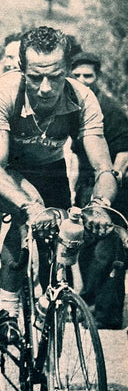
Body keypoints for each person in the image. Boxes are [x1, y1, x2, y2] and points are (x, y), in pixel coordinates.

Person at [0, 26, 118, 345]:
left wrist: (100, 206)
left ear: (67, 71)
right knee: (21, 229)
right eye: (34, 77)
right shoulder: (3, 92)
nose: (45, 88)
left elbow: (103, 168)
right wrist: (29, 208)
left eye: (55, 77)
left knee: (59, 241)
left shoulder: (83, 98)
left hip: (49, 167)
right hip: (8, 169)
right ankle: (8, 311)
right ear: (22, 71)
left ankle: (49, 310)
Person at [71, 51, 128, 329]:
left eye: (88, 75)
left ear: (98, 77)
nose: (83, 80)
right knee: (85, 247)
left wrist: (109, 188)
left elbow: (124, 154)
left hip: (113, 188)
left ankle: (107, 314)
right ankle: (89, 302)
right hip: (84, 185)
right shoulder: (73, 106)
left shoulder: (111, 109)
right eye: (78, 75)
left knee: (108, 251)